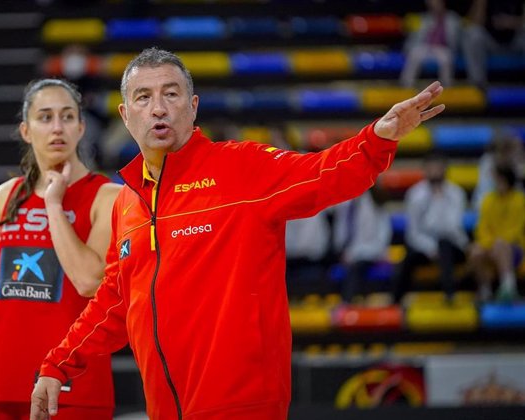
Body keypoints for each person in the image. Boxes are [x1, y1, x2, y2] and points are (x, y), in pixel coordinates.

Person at [30, 47, 446, 420]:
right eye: (144, 97)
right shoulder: (128, 202)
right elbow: (115, 301)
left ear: (193, 107)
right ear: (126, 114)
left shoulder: (242, 168)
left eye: (171, 94)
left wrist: (378, 139)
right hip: (167, 409)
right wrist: (58, 363)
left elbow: (322, 175)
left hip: (243, 405)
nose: (158, 108)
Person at [0, 79, 121, 420]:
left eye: (68, 116)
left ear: (81, 127)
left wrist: (53, 206)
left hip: (74, 389)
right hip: (3, 388)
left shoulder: (107, 196)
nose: (57, 127)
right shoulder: (6, 196)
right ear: (26, 130)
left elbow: (88, 280)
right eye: (45, 117)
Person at [392, 153, 468, 304]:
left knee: (444, 246)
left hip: (452, 244)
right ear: (425, 170)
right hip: (424, 245)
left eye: (438, 167)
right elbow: (413, 232)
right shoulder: (415, 194)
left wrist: (439, 201)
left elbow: (453, 227)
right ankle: (395, 301)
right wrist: (431, 248)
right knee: (407, 259)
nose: (434, 171)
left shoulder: (456, 193)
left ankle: (450, 295)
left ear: (445, 169)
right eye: (431, 167)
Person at [469, 164, 525, 302]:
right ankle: (485, 289)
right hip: (491, 246)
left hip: (515, 247)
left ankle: (509, 287)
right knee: (475, 250)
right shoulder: (488, 200)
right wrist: (489, 245)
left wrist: (498, 244)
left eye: (500, 180)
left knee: (501, 245)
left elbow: (516, 229)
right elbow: (482, 228)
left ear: (507, 180)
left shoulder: (519, 200)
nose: (497, 183)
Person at [333, 186, 392, 303]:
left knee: (355, 267)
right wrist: (343, 251)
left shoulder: (375, 200)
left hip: (372, 252)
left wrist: (353, 254)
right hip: (349, 252)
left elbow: (382, 236)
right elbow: (341, 231)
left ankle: (346, 303)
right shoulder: (346, 202)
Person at [462, 0, 525, 88]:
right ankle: (478, 85)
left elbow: (523, 20)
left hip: (514, 42)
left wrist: (509, 22)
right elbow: (475, 23)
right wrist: (480, 4)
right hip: (491, 43)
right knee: (473, 34)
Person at [400, 0, 461, 87]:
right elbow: (414, 38)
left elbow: (457, 39)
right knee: (414, 54)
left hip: (443, 48)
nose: (435, 6)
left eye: (437, 3)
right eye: (432, 4)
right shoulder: (424, 18)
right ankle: (406, 86)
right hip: (426, 47)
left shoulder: (452, 18)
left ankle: (447, 88)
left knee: (445, 59)